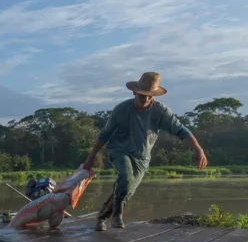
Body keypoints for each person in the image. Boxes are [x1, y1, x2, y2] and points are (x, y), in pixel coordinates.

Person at [83, 72, 208, 231]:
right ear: (135, 92)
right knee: (126, 177)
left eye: (150, 96)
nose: (146, 99)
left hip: (142, 158)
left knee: (127, 190)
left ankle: (102, 217)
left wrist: (199, 149)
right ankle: (117, 215)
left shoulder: (160, 111)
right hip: (119, 150)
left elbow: (181, 131)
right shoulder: (121, 110)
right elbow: (105, 134)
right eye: (143, 95)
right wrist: (91, 157)